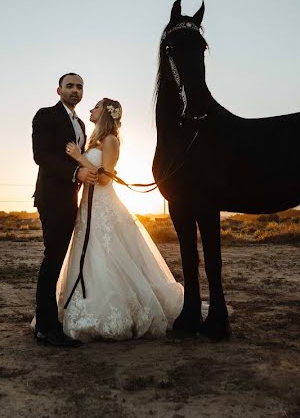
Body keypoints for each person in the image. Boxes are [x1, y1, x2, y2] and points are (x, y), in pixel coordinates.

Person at [53, 98, 185, 341]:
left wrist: (79, 158)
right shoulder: (94, 140)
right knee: (89, 254)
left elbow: (105, 179)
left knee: (108, 253)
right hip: (88, 206)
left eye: (96, 107)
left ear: (105, 113)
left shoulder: (111, 140)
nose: (91, 110)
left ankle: (120, 309)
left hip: (104, 205)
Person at [31, 73, 97, 347]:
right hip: (52, 198)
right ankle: (46, 328)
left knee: (59, 260)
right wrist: (75, 173)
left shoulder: (80, 123)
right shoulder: (46, 115)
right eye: (69, 86)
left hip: (71, 200)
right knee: (53, 258)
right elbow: (41, 155)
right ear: (58, 90)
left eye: (79, 86)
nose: (75, 90)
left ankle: (50, 322)